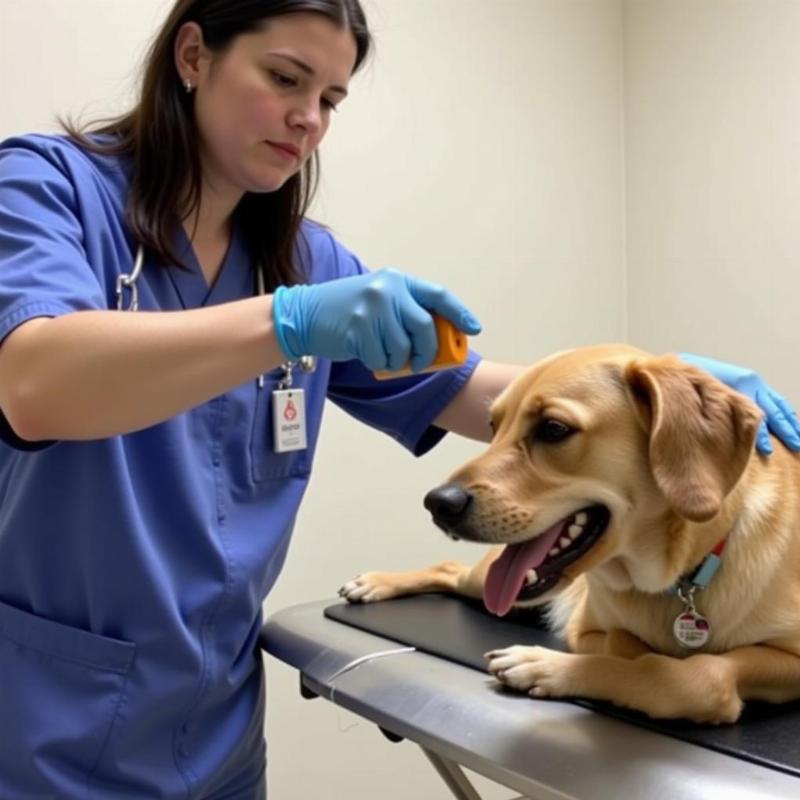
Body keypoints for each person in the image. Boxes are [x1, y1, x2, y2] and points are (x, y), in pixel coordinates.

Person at [0, 1, 797, 798]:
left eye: (332, 100)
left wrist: (655, 393)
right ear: (193, 55)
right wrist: (289, 319)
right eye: (285, 78)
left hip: (213, 729)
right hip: (49, 727)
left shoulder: (302, 258)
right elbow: (36, 384)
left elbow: (462, 388)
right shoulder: (45, 189)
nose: (308, 119)